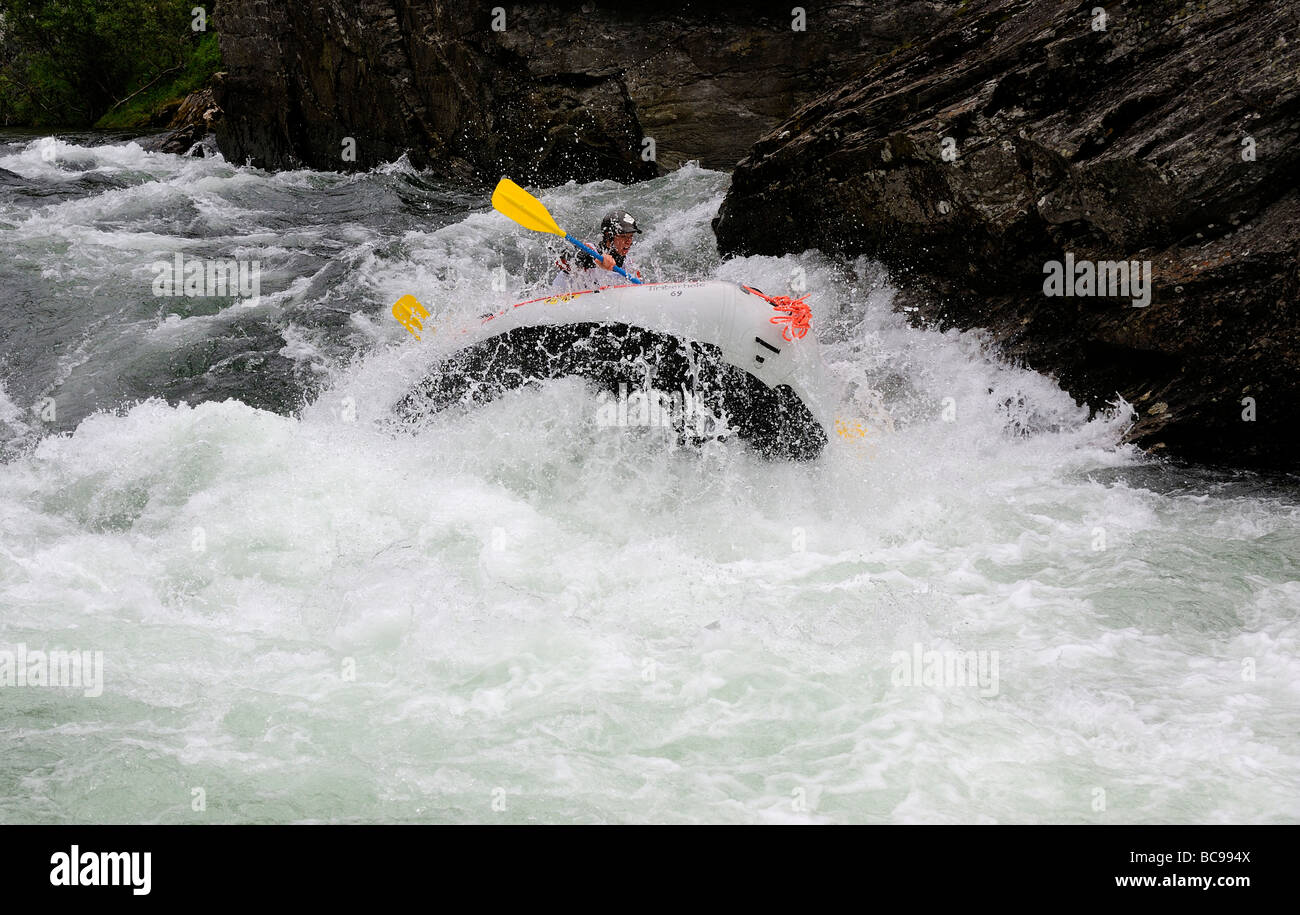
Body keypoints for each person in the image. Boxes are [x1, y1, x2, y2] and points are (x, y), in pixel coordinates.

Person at [551, 209, 643, 292]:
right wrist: (594, 260)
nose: (628, 242)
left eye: (631, 236)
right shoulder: (590, 250)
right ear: (608, 236)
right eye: (623, 237)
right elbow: (563, 259)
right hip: (559, 302)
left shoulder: (629, 265)